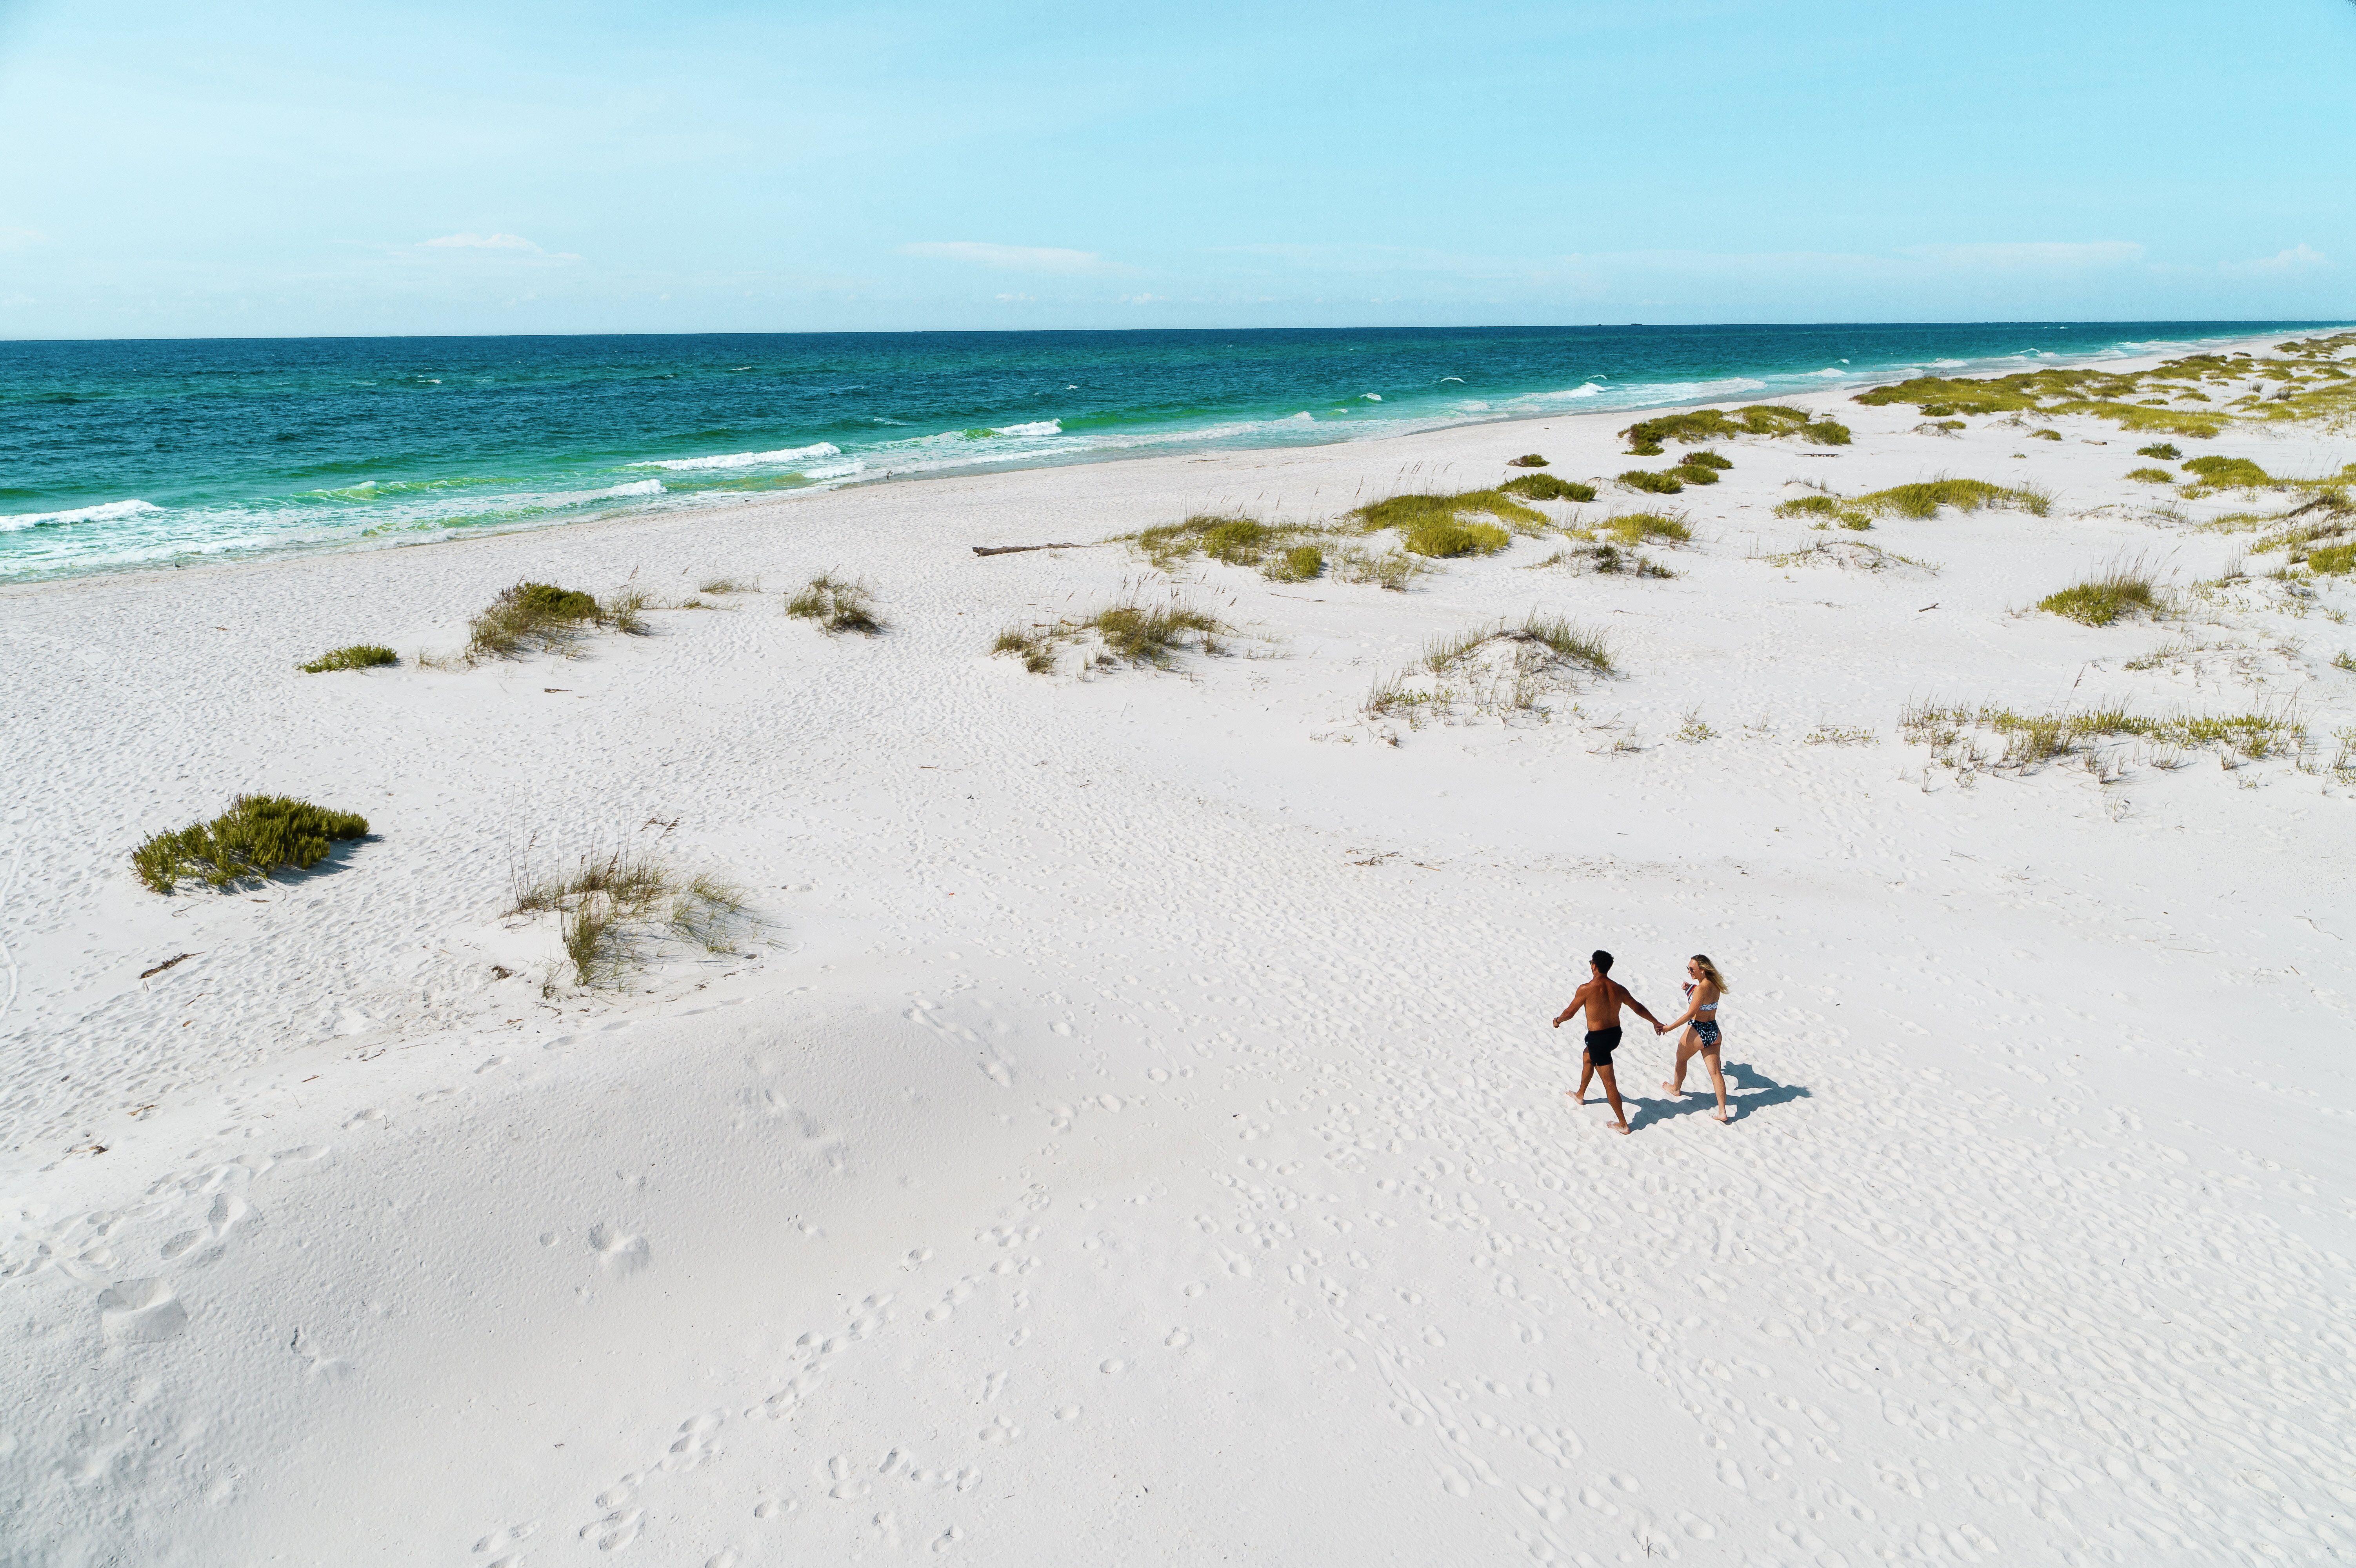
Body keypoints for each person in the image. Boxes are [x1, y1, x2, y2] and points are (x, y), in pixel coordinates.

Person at [1551, 949, 1663, 1135]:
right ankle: (1580, 1095)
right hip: (1615, 1035)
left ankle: (1623, 1124)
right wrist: (1655, 1022)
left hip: (1599, 1040)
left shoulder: (1586, 989)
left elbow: (1570, 1013)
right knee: (1587, 1056)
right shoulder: (1618, 988)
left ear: (1594, 966)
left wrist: (1558, 1021)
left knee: (1609, 1083)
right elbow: (1638, 1007)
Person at [1656, 954, 1732, 1123]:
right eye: (1688, 969)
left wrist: (1669, 1028)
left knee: (1681, 1060)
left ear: (1702, 971)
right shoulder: (1715, 985)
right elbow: (1705, 1003)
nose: (1689, 971)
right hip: (1714, 1031)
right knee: (1716, 1072)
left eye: (1692, 969)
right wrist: (1690, 989)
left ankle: (1676, 1088)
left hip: (1698, 1031)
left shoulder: (1700, 989)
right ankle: (1722, 1112)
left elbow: (1691, 1014)